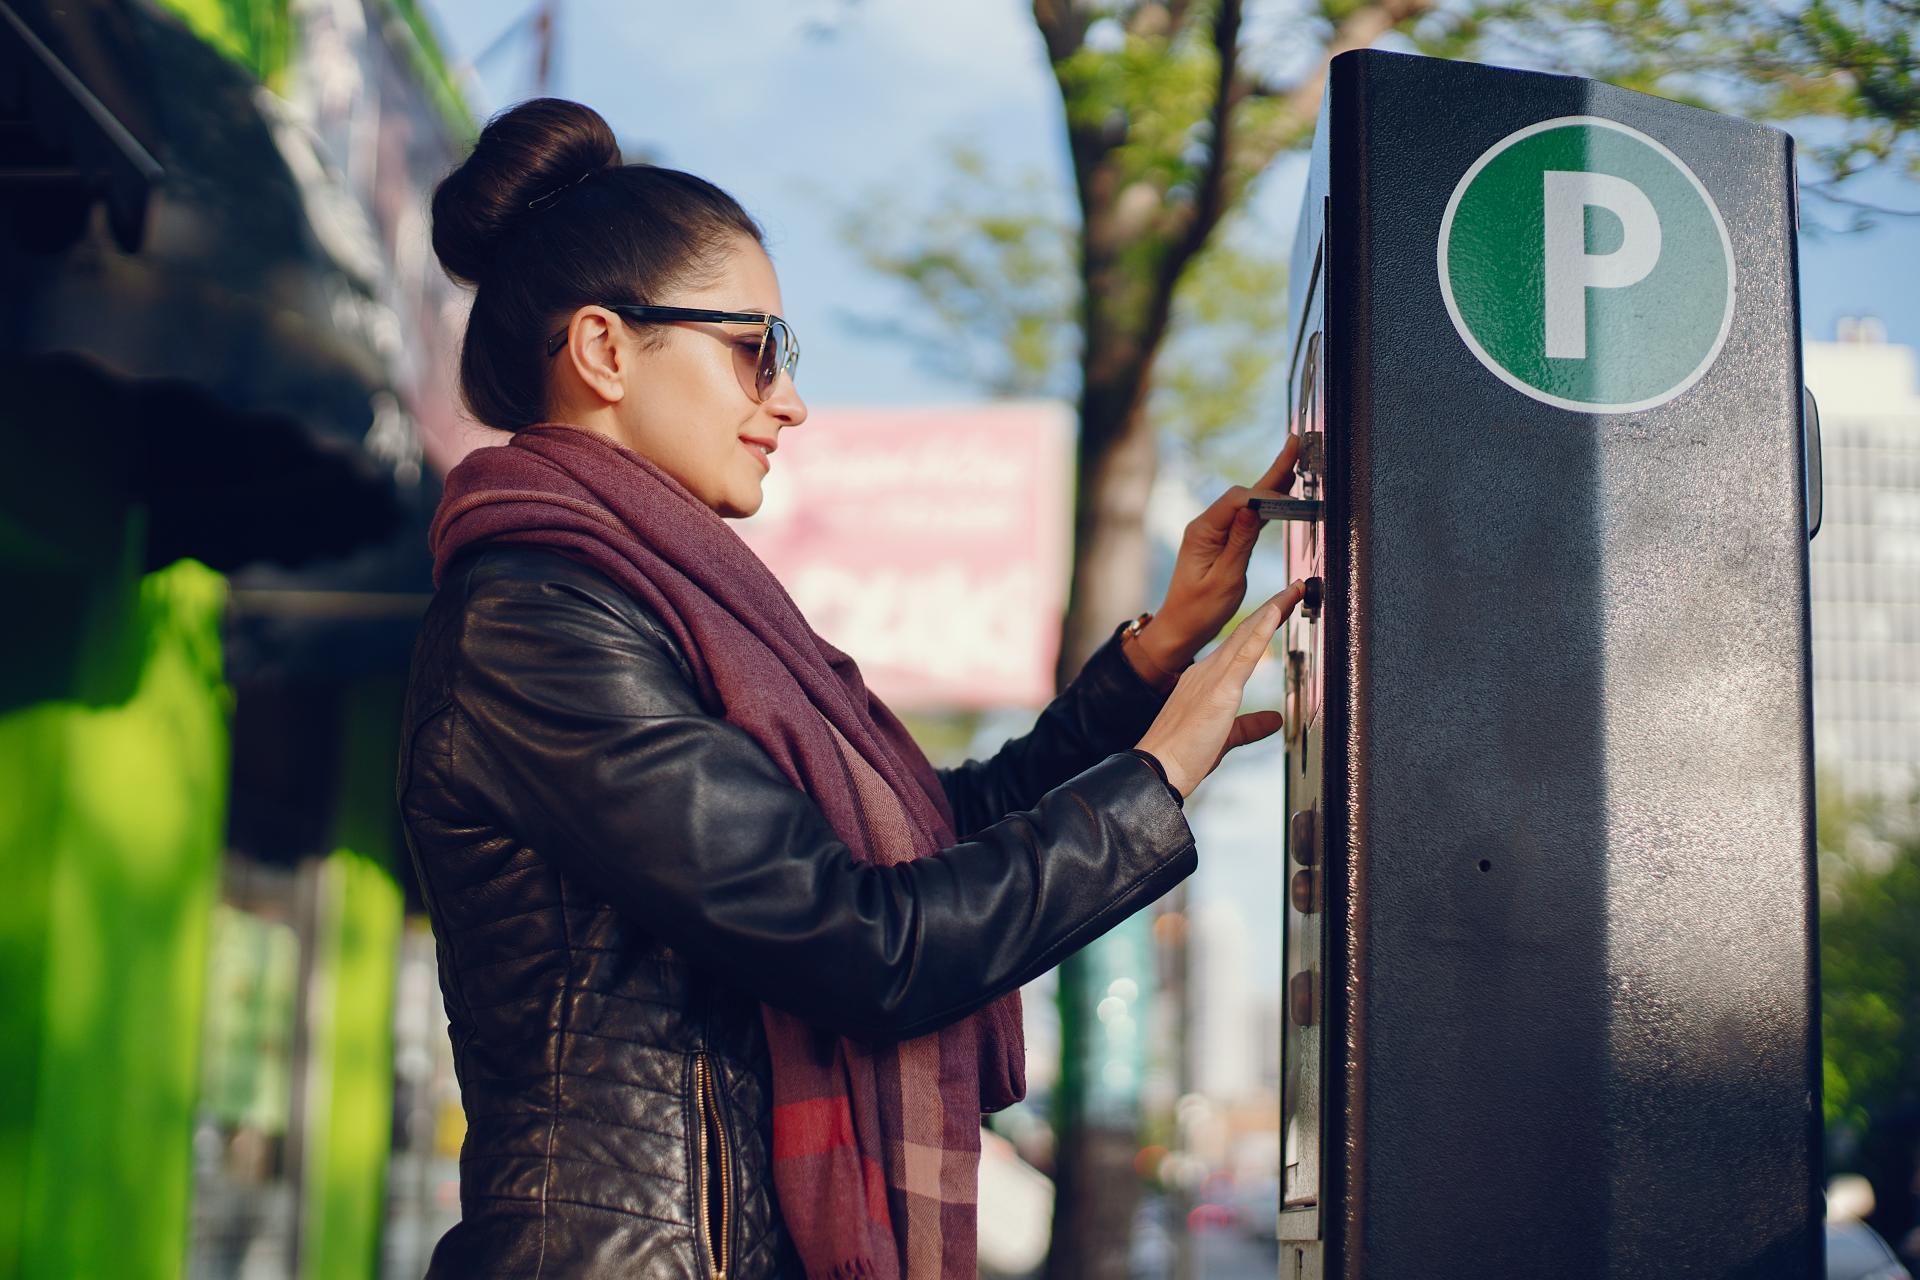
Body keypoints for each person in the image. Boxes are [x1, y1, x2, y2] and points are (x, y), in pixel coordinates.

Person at [398, 96, 1306, 1280]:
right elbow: (869, 942)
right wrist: (1155, 780)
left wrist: (1154, 657)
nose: (789, 400)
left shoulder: (665, 600)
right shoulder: (540, 622)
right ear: (605, 350)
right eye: (754, 347)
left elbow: (923, 841)